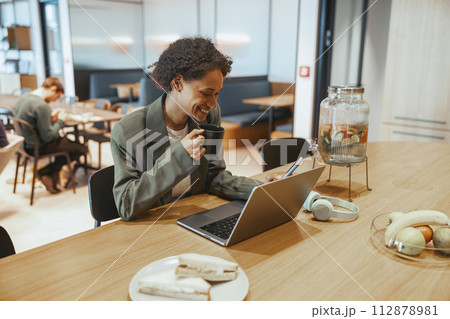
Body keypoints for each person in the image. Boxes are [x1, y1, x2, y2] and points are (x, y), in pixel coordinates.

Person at [111, 37, 264, 221]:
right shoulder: (128, 131)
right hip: (155, 227)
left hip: (197, 218)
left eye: (217, 94)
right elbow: (126, 204)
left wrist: (260, 188)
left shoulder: (210, 118)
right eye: (207, 93)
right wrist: (180, 155)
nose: (214, 104)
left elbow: (214, 176)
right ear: (177, 83)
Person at [14, 77, 87, 194]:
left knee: (68, 143)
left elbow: (33, 122)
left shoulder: (23, 98)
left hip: (24, 145)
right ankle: (45, 172)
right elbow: (49, 136)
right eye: (56, 97)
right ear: (53, 89)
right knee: (81, 149)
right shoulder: (41, 105)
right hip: (39, 146)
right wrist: (60, 121)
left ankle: (50, 177)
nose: (53, 101)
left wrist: (49, 120)